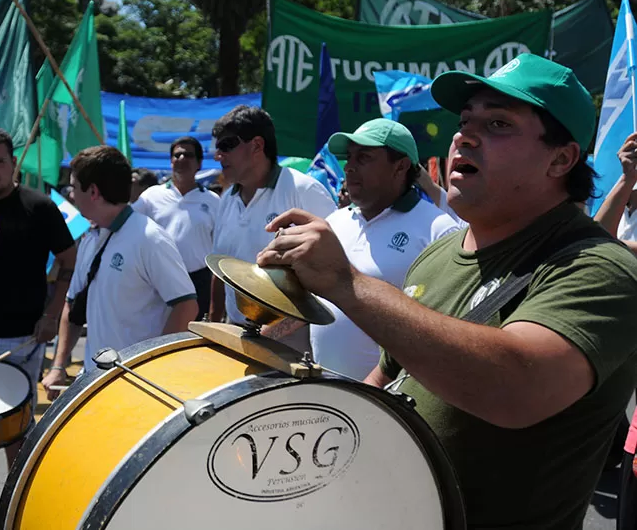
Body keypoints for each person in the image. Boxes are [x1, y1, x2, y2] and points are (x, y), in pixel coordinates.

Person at [256, 53, 637, 529]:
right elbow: (385, 381)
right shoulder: (438, 256)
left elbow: (517, 387)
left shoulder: (599, 268)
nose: (464, 137)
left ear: (561, 159)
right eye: (465, 121)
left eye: (498, 123)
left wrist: (346, 283)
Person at [42, 146, 198, 400]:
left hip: (140, 387)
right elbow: (72, 306)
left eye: (74, 187)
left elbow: (186, 306)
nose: (70, 194)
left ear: (93, 192)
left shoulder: (149, 238)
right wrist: (58, 366)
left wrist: (152, 367)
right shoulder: (91, 236)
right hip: (95, 380)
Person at [309, 119, 458, 379]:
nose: (349, 166)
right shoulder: (334, 222)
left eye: (364, 157)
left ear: (400, 167)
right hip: (326, 395)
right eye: (349, 157)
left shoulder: (438, 231)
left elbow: (444, 334)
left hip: (391, 407)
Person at [0, 127, 76, 466]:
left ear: (13, 163)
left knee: (16, 429)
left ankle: (14, 509)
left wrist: (51, 315)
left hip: (24, 337)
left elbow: (69, 261)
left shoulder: (40, 206)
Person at [207, 105, 335, 352]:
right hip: (237, 336)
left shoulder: (304, 190)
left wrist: (269, 334)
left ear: (256, 145)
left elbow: (333, 275)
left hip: (293, 344)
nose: (217, 156)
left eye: (226, 146)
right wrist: (214, 326)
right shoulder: (226, 200)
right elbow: (219, 270)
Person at [132, 137, 220, 320]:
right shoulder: (151, 196)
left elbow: (221, 246)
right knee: (158, 336)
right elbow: (129, 226)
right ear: (171, 161)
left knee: (192, 339)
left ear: (199, 163)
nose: (181, 159)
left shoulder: (213, 201)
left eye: (188, 155)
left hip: (199, 282)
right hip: (158, 280)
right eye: (176, 155)